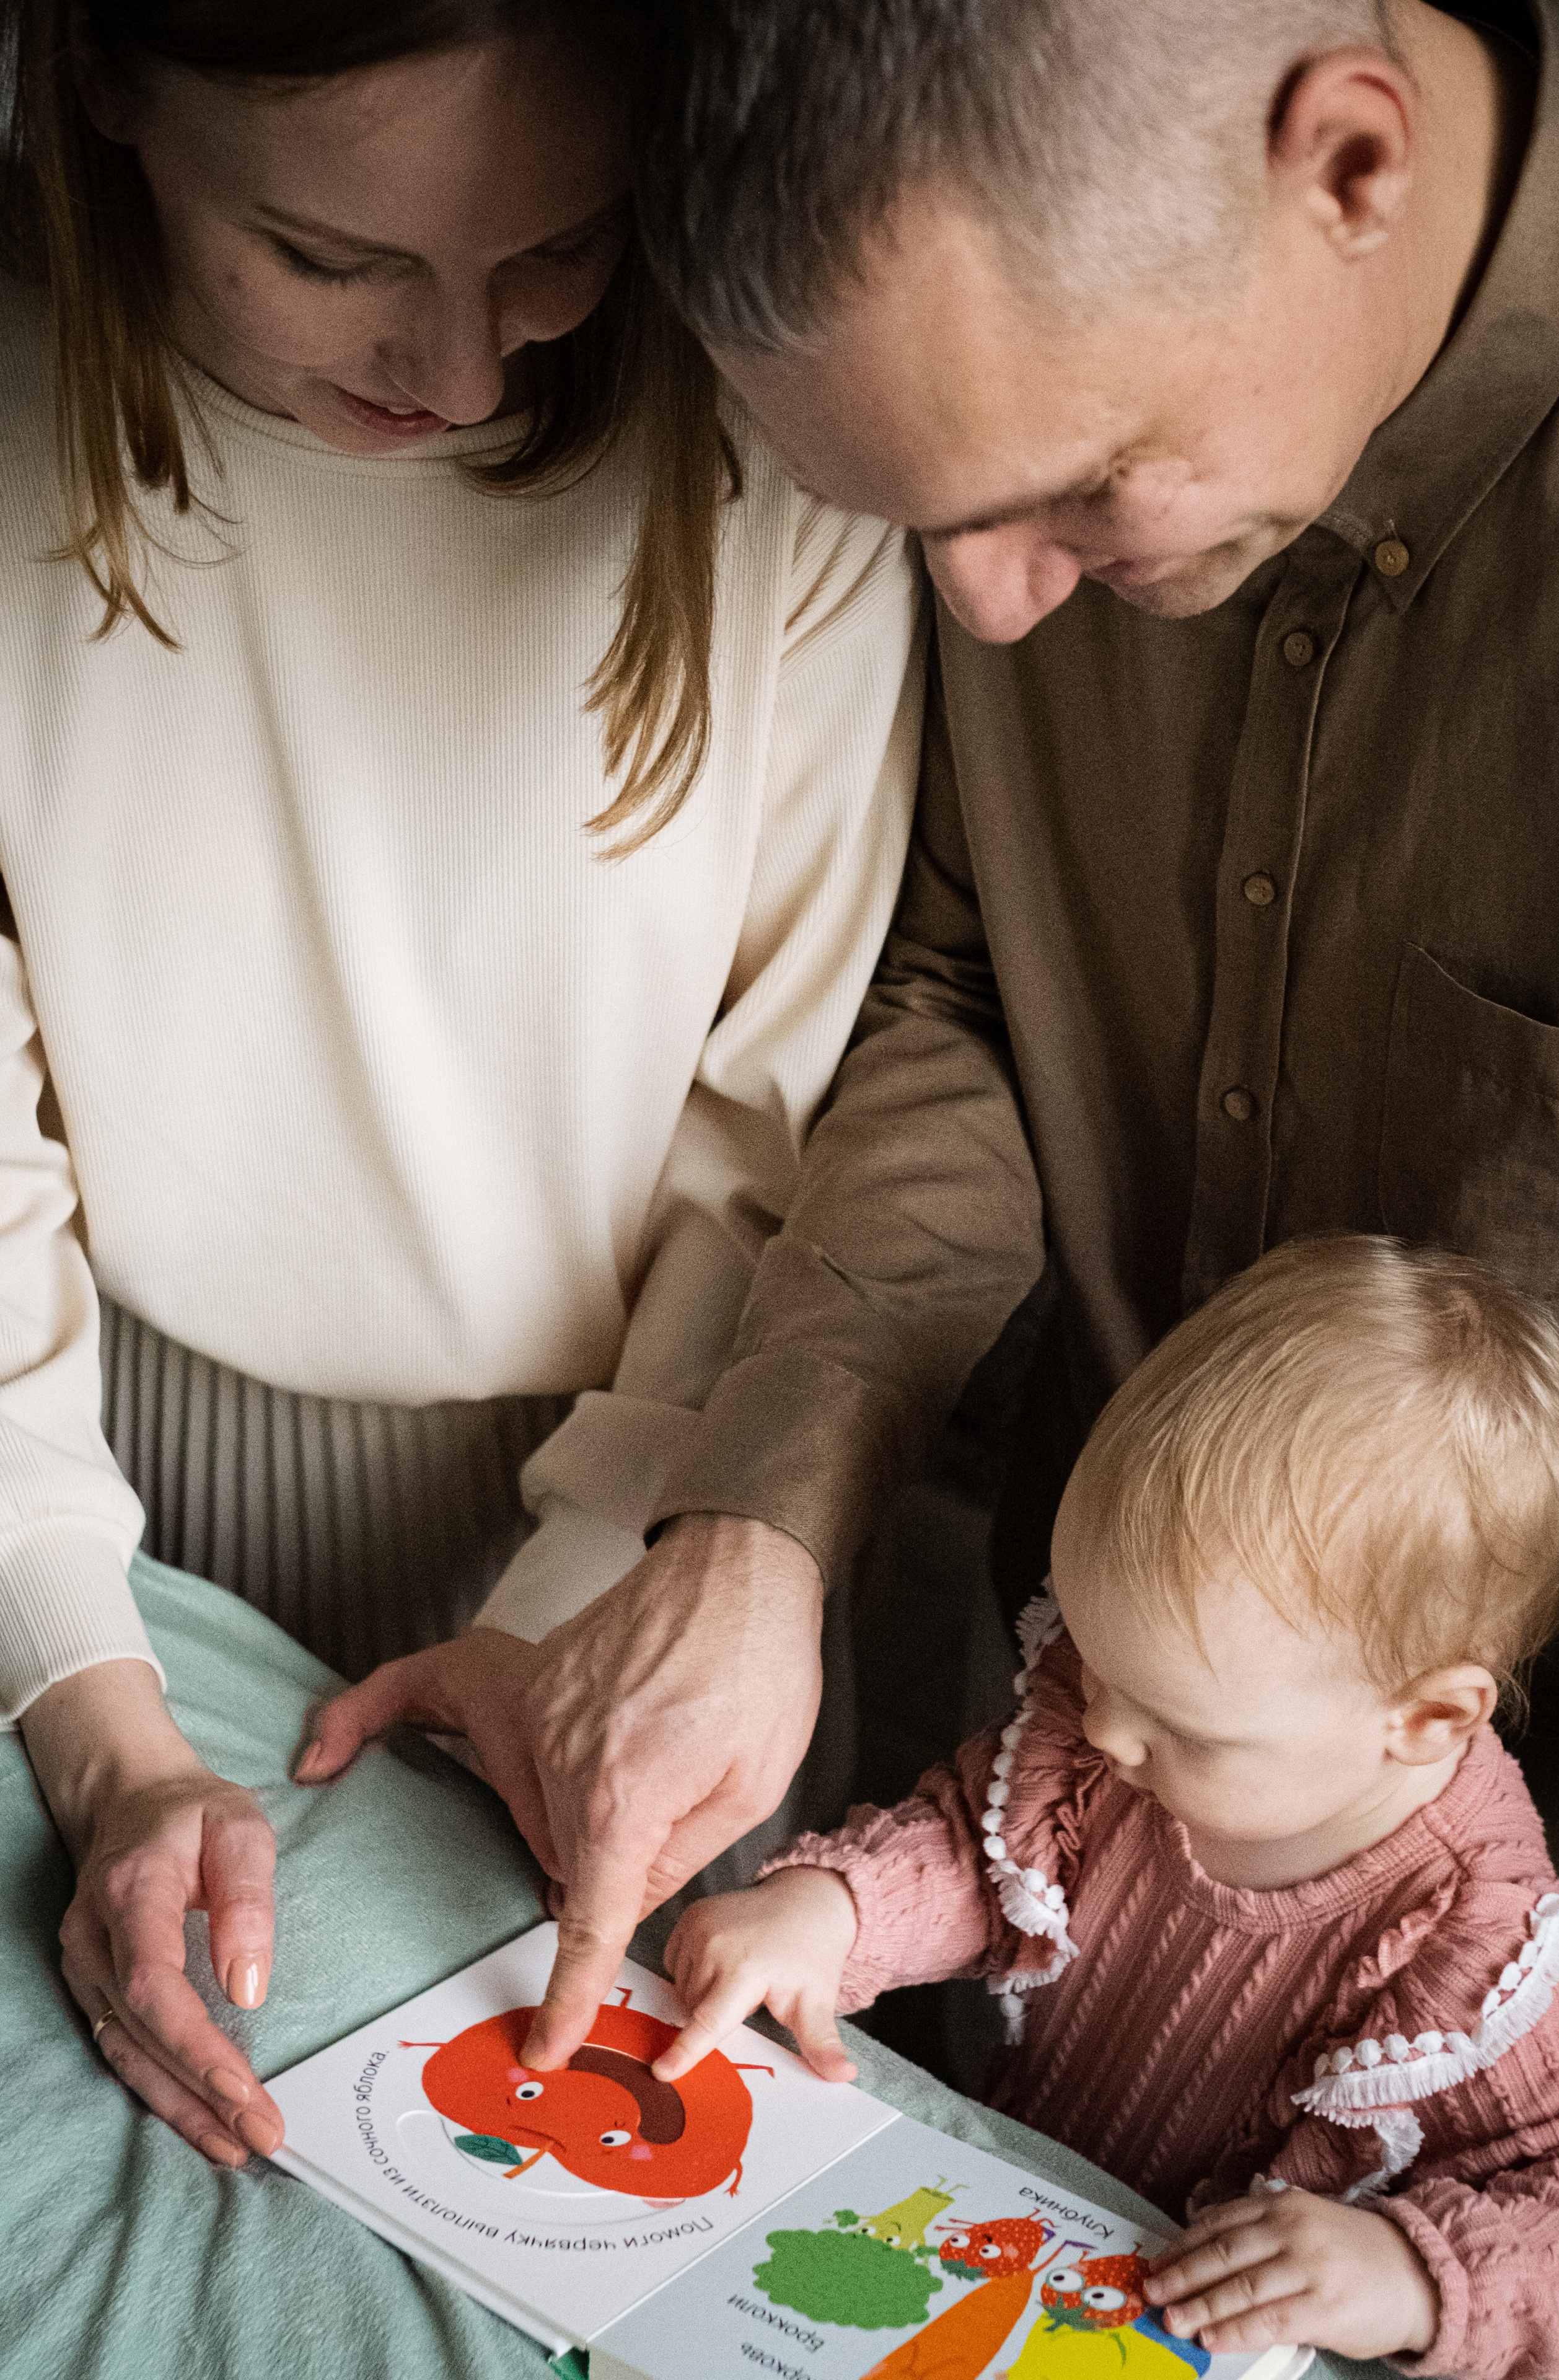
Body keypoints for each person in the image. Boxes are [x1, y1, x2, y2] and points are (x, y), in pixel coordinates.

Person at [4, 0, 923, 2170]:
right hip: (91, 1468)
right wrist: (93, 1705)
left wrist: (568, 1629)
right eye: (330, 258)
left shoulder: (777, 440)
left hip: (657, 1530)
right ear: (107, 79)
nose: (468, 368)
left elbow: (770, 1160)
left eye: (558, 251)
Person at [602, 0, 1559, 1937]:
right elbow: (964, 989)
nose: (987, 607)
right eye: (919, 526)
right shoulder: (1018, 430)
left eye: (1081, 487)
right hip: (1062, 1792)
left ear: (1353, 168)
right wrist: (762, 1519)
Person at [658, 1238, 1559, 2376]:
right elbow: (978, 1845)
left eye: (1177, 1723)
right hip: (1013, 2233)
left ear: (1428, 1719)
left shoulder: (1490, 1967)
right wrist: (834, 1909)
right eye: (1095, 1664)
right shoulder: (1122, 1732)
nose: (1102, 1731)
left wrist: (1407, 2276)